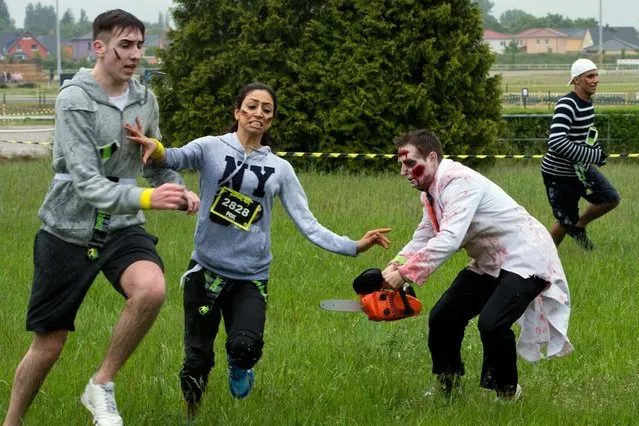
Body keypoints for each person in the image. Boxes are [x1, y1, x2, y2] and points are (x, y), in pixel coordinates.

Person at [125, 81, 391, 419]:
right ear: (238, 112)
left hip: (251, 278)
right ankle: (192, 413)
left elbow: (307, 222)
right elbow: (174, 157)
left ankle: (240, 367)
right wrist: (155, 147)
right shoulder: (210, 148)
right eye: (251, 106)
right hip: (204, 272)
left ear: (271, 120)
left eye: (266, 109)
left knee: (246, 347)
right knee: (197, 359)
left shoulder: (280, 170)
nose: (258, 113)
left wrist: (353, 246)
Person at [3, 9, 199, 426]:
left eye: (140, 46)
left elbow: (154, 162)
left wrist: (178, 187)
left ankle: (101, 385)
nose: (134, 55)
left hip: (121, 227)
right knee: (49, 343)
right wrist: (149, 197)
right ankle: (13, 420)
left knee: (151, 289)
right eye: (125, 45)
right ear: (99, 47)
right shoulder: (73, 100)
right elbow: (88, 184)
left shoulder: (146, 100)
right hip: (68, 229)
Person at [381, 129, 572, 401]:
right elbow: (425, 235)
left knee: (492, 324)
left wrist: (404, 275)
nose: (404, 171)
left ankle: (507, 393)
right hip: (492, 260)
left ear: (432, 158)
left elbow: (448, 239)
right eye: (401, 164)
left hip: (528, 257)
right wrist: (393, 265)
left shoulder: (459, 181)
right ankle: (447, 387)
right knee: (443, 317)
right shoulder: (431, 193)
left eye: (410, 163)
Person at [541, 58, 620, 250]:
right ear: (576, 80)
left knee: (610, 198)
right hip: (558, 173)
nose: (595, 80)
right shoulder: (567, 104)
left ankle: (579, 226)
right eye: (590, 76)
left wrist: (594, 150)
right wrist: (593, 156)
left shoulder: (588, 103)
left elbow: (583, 137)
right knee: (564, 220)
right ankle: (544, 258)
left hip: (580, 169)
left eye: (596, 75)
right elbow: (556, 142)